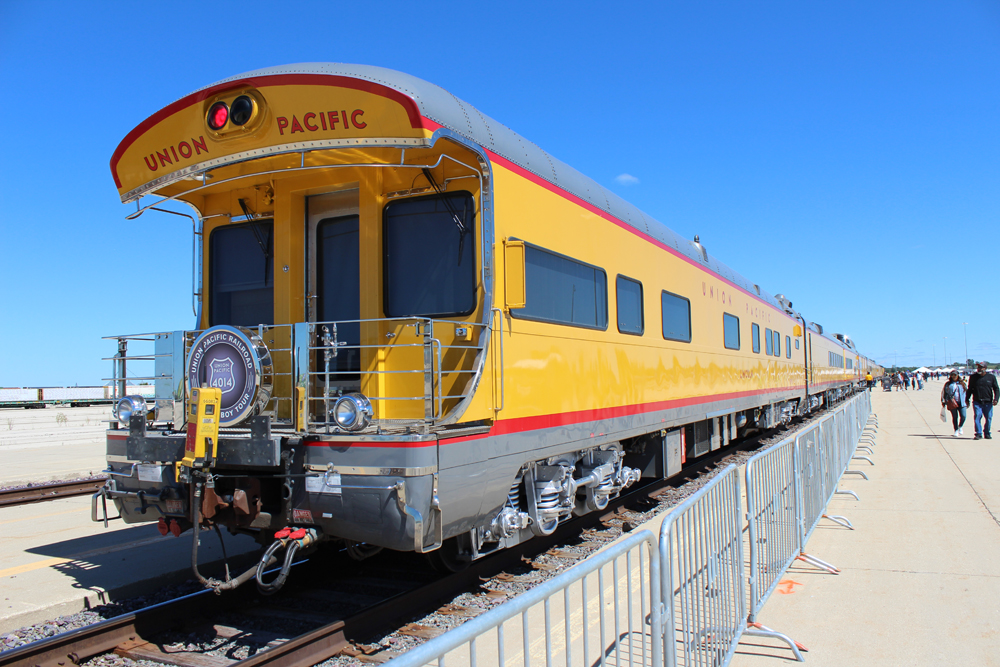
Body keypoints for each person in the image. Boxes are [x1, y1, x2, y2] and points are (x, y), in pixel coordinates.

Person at [966, 361, 999, 440]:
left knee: (988, 418)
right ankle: (978, 433)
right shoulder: (973, 377)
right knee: (977, 416)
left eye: (981, 367)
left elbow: (996, 389)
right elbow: (970, 389)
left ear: (985, 368)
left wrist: (996, 399)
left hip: (988, 402)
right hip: (977, 402)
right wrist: (967, 399)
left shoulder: (991, 377)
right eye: (978, 367)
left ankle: (987, 433)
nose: (979, 369)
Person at [941, 371, 967, 437]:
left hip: (962, 402)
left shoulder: (962, 383)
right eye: (952, 375)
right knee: (955, 417)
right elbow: (944, 393)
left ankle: (960, 426)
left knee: (963, 416)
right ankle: (956, 430)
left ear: (958, 375)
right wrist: (943, 401)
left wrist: (967, 400)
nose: (953, 376)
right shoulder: (948, 384)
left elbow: (966, 392)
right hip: (952, 402)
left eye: (955, 375)